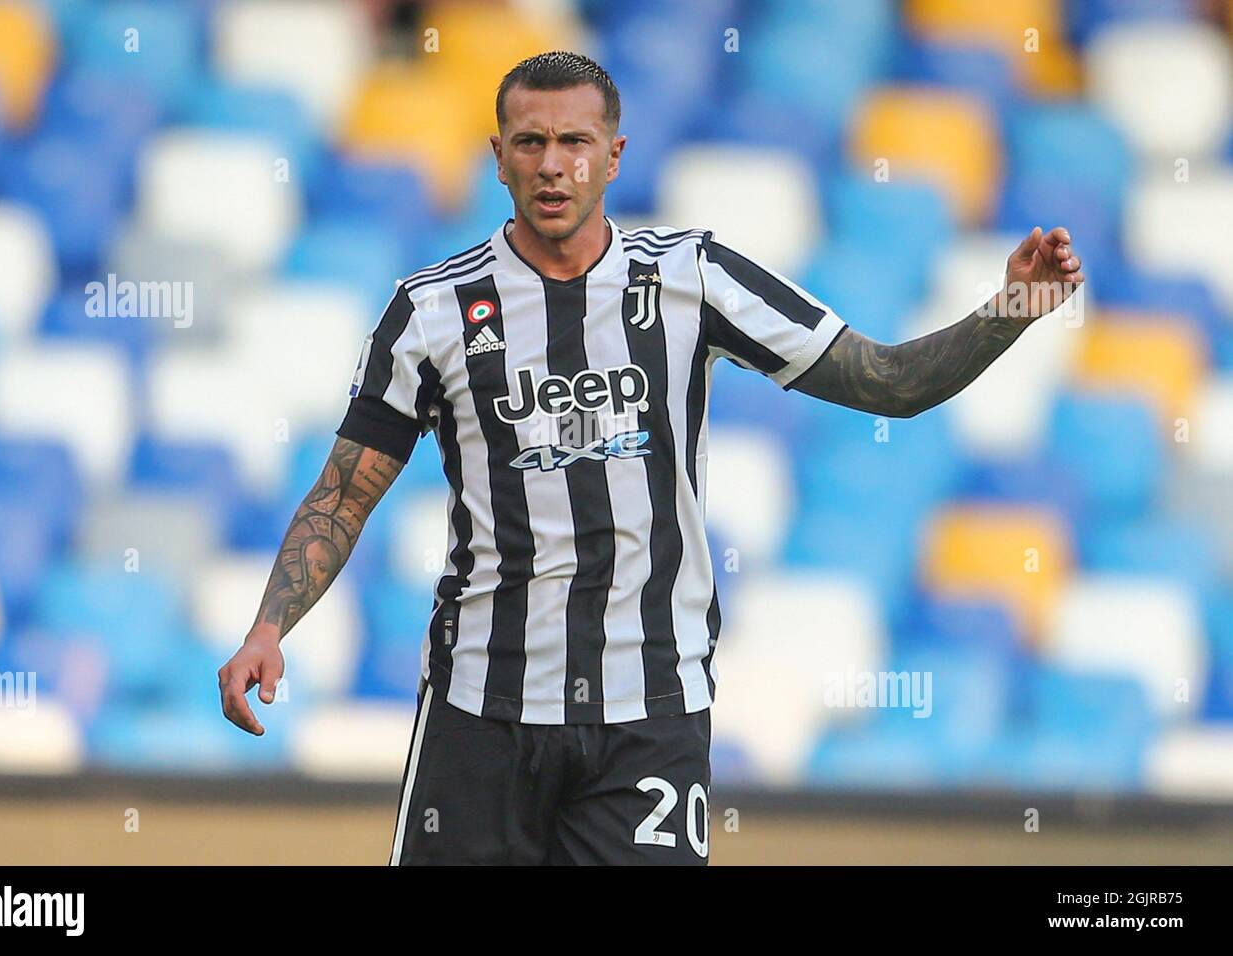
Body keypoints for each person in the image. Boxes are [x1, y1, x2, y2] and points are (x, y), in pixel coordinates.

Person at [218, 50, 1084, 865]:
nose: (552, 165)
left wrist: (1008, 310)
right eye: (530, 142)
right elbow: (343, 493)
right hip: (480, 711)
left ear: (615, 154)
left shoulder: (692, 278)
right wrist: (269, 626)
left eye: (573, 142)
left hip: (649, 716)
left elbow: (888, 381)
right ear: (498, 157)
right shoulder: (433, 311)